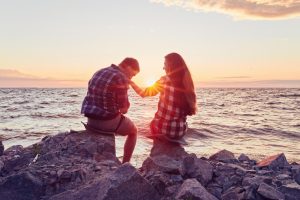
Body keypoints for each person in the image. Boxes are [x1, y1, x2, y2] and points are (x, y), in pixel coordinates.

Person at [81, 57, 139, 163]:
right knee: (134, 131)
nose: (131, 78)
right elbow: (124, 109)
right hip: (105, 122)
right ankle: (126, 164)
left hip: (90, 121)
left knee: (114, 115)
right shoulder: (121, 77)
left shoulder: (99, 71)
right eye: (133, 74)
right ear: (129, 67)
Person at [130, 52, 197, 141]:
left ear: (170, 66)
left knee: (152, 124)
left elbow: (143, 93)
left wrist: (130, 82)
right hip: (180, 131)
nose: (163, 67)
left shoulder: (164, 80)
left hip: (164, 131)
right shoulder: (187, 83)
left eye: (165, 64)